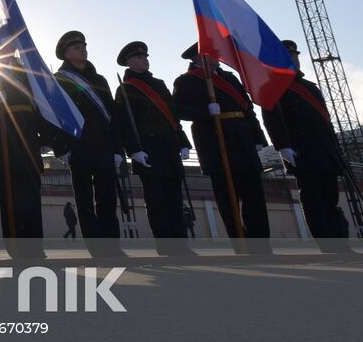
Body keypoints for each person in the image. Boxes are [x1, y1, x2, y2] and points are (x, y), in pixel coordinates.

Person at [172, 44, 271, 250]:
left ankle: (261, 244)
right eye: (211, 53)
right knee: (228, 200)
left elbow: (247, 108)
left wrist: (258, 136)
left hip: (243, 142)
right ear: (198, 57)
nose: (217, 56)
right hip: (216, 144)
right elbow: (178, 110)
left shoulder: (230, 78)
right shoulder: (186, 81)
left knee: (255, 197)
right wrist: (206, 112)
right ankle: (240, 243)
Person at [0, 55, 55, 256]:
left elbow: (42, 107)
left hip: (28, 143)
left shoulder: (29, 73)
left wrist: (47, 138)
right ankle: (16, 248)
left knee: (32, 199)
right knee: (10, 200)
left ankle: (35, 247)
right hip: (3, 144)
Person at [263, 39, 349, 248]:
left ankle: (339, 242)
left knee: (330, 198)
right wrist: (282, 145)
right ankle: (326, 243)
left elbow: (325, 123)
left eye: (295, 56)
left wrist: (335, 149)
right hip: (301, 150)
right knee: (313, 199)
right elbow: (272, 117)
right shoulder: (273, 85)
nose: (294, 59)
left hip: (324, 149)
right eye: (289, 57)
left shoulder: (310, 87)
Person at [113, 41, 193, 252]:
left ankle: (181, 244)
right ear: (129, 62)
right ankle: (165, 245)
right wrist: (133, 150)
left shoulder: (159, 84)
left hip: (168, 146)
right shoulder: (126, 88)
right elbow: (124, 122)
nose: (144, 59)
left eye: (145, 56)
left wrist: (183, 142)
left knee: (175, 199)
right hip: (147, 148)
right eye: (139, 57)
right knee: (156, 200)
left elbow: (173, 116)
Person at [51, 31, 124, 254]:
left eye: (83, 46)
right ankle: (95, 247)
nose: (82, 49)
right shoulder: (59, 80)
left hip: (103, 146)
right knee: (84, 200)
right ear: (65, 54)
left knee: (108, 199)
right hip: (78, 146)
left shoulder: (99, 80)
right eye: (76, 47)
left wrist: (117, 149)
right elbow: (56, 116)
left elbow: (112, 116)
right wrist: (60, 148)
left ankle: (112, 246)